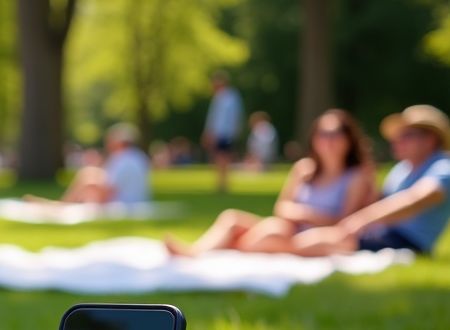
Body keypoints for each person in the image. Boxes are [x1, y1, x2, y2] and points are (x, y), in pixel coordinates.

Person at [166, 109, 374, 257]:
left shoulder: (355, 176)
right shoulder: (304, 169)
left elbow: (345, 222)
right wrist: (297, 215)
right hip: (291, 228)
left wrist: (305, 215)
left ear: (349, 139)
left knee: (277, 234)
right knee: (233, 218)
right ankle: (195, 252)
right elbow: (281, 207)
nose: (328, 141)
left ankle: (236, 248)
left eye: (335, 134)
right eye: (322, 134)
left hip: (323, 235)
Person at [291, 105, 450, 256]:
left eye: (406, 135)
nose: (397, 141)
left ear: (430, 140)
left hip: (406, 241)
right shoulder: (402, 169)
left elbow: (414, 199)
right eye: (397, 136)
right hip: (381, 234)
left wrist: (362, 219)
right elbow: (381, 201)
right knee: (309, 240)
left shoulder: (443, 167)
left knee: (315, 243)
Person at [28, 123, 150, 206]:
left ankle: (61, 205)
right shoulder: (136, 156)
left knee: (88, 180)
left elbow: (110, 190)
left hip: (122, 202)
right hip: (132, 200)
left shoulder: (121, 159)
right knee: (89, 173)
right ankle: (62, 204)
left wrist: (91, 188)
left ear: (119, 143)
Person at [202, 70, 243, 192]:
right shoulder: (220, 97)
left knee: (223, 158)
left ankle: (223, 184)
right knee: (219, 158)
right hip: (220, 133)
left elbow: (232, 117)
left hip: (225, 134)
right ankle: (220, 183)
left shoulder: (230, 97)